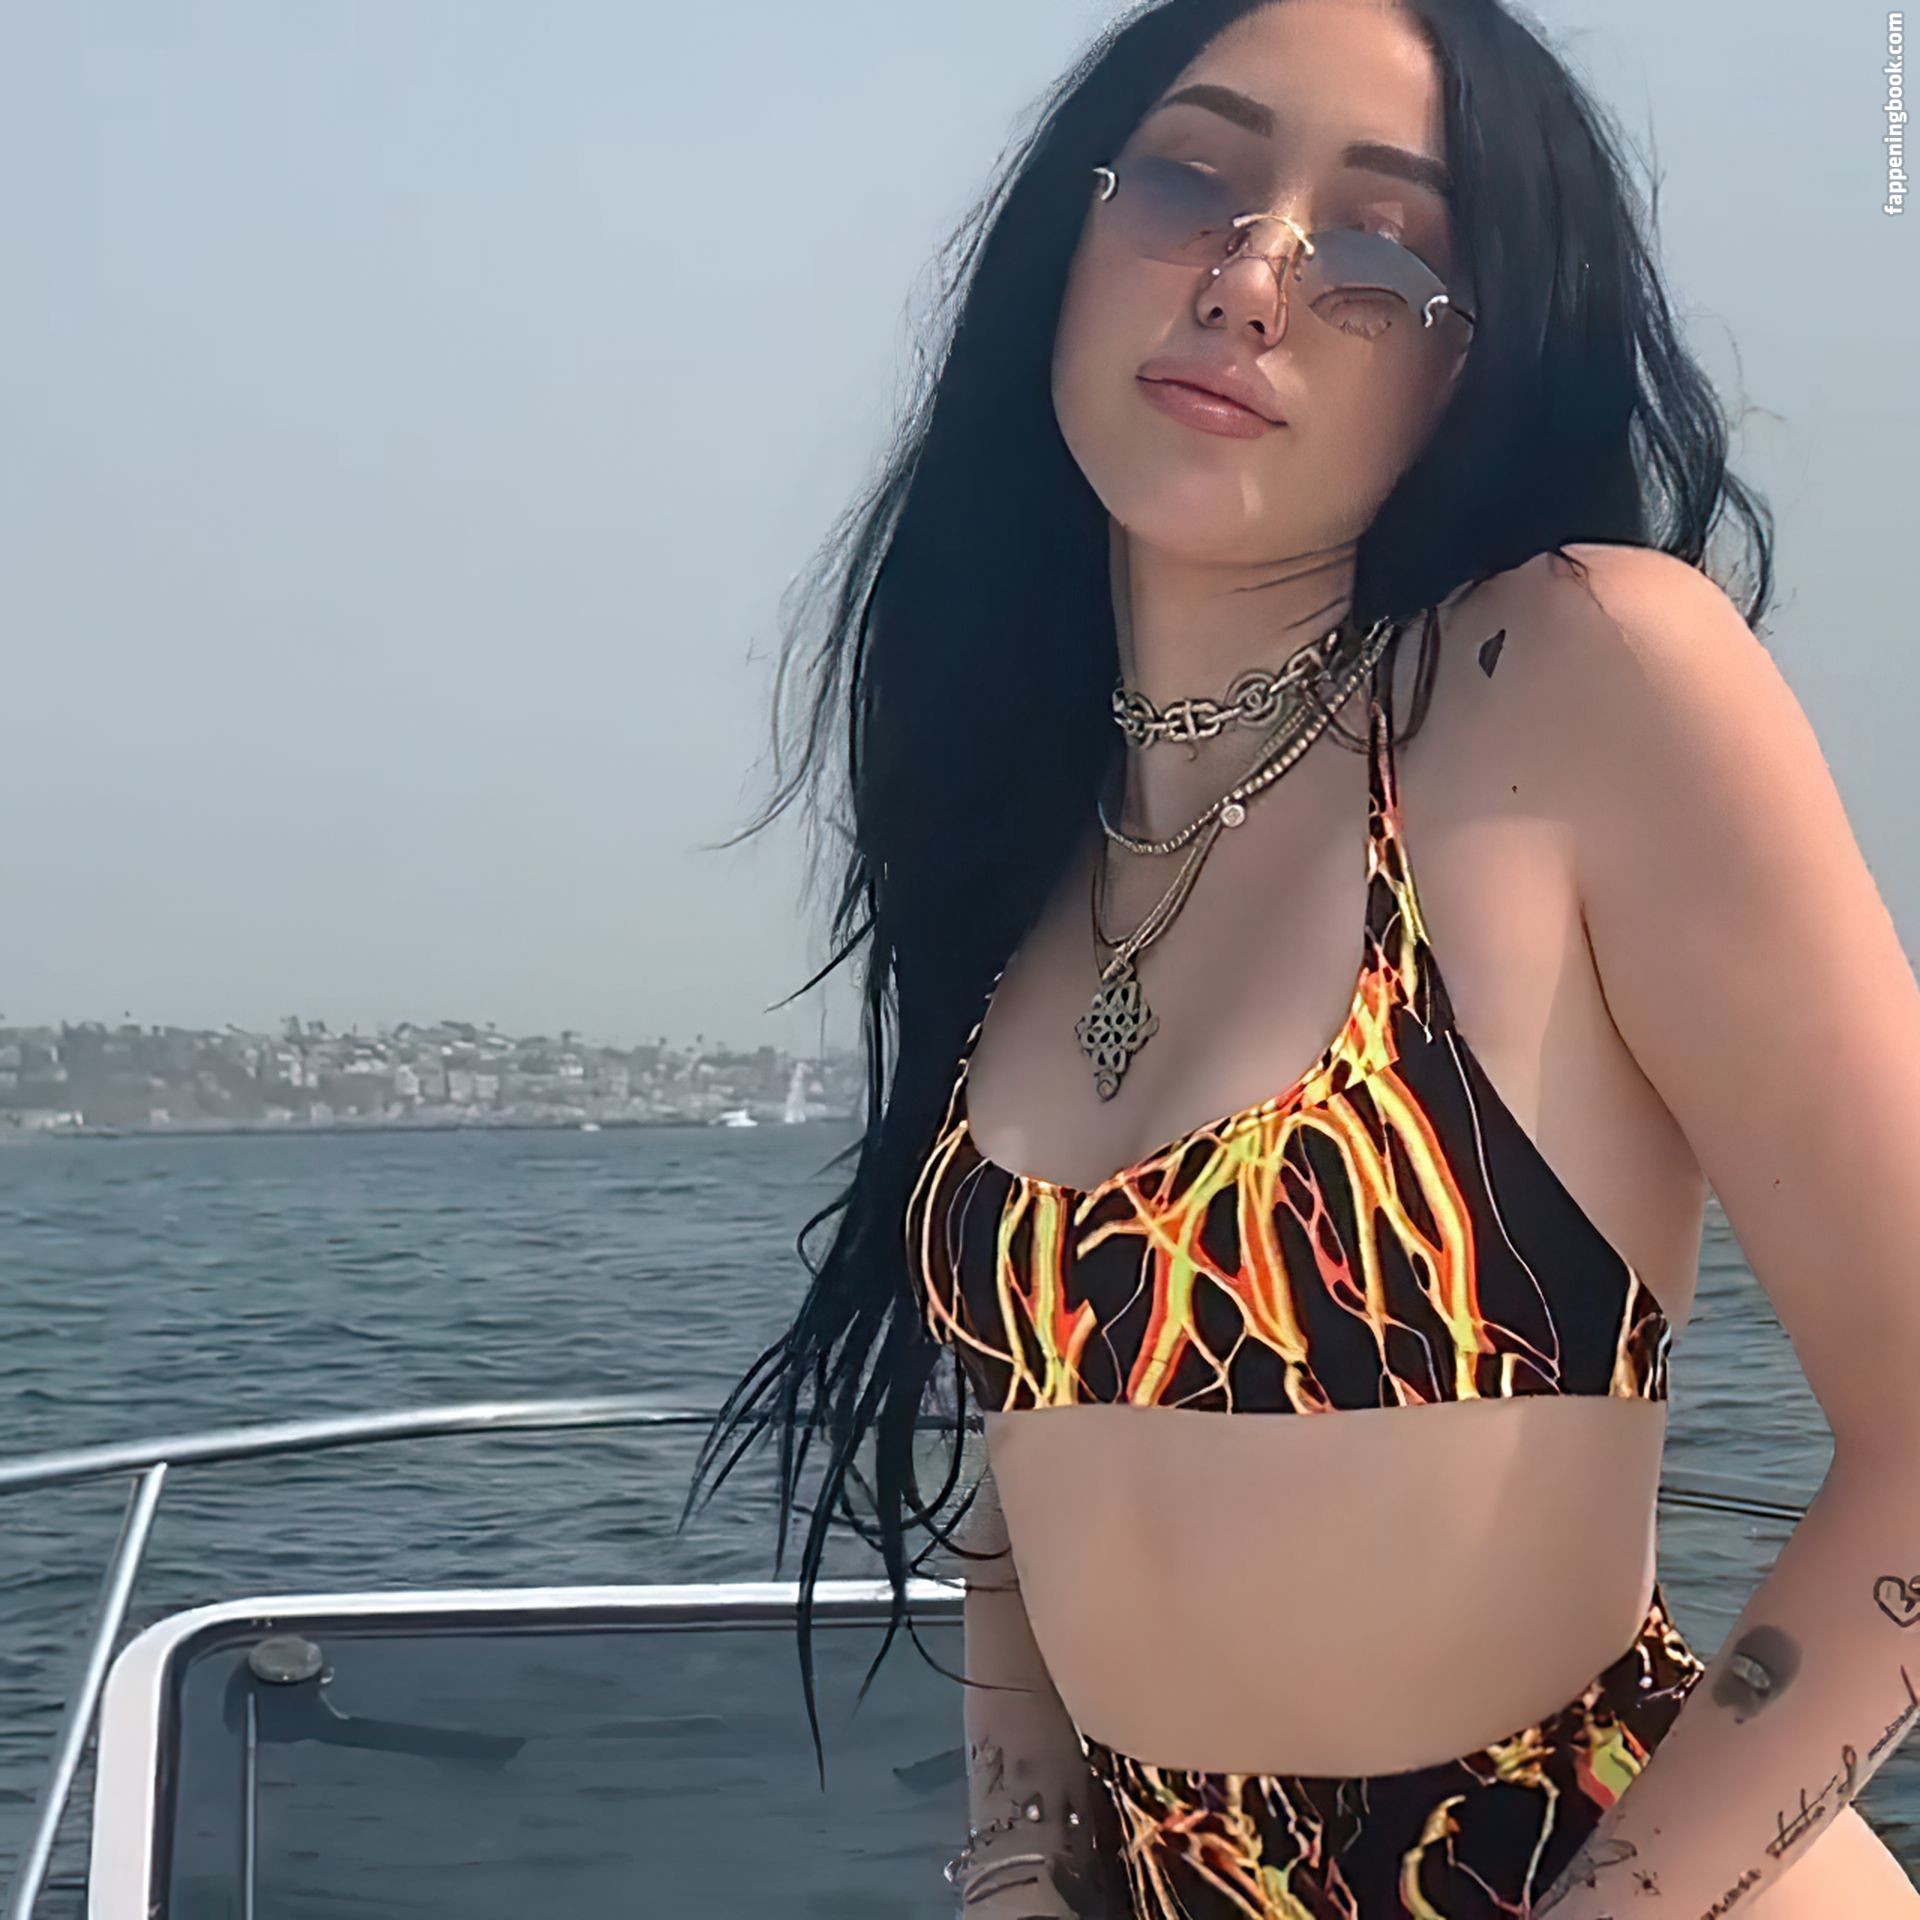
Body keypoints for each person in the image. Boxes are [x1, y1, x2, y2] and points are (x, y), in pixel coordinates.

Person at [682, 1, 1920, 1913]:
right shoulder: (1040, 824)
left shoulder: (1574, 679)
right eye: (1192, 176)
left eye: (1382, 250)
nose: (1251, 278)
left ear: (1478, 358)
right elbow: (1052, 1431)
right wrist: (1016, 1855)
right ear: (1066, 233)